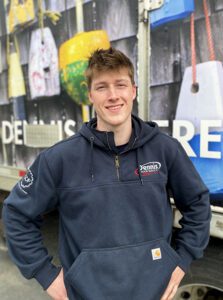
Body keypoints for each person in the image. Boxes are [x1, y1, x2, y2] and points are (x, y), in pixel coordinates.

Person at [2, 47, 211, 300]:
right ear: (90, 94)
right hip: (87, 294)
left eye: (120, 85)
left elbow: (198, 204)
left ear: (133, 90)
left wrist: (181, 261)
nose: (113, 96)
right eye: (102, 87)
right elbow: (16, 215)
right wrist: (46, 275)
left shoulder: (165, 150)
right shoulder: (60, 159)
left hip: (153, 292)